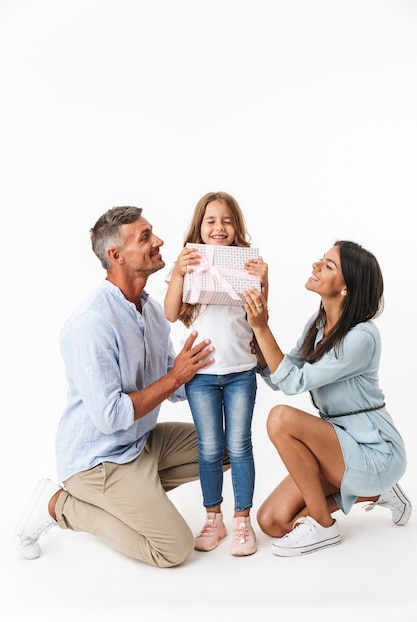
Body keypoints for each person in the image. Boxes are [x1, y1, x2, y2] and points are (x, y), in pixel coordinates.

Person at [14, 205, 231, 568]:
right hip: (98, 460)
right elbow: (113, 416)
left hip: (140, 443)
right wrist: (175, 377)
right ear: (116, 256)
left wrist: (230, 364)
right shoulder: (92, 322)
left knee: (224, 448)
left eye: (153, 233)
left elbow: (175, 382)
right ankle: (58, 505)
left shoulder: (150, 311)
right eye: (145, 237)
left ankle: (134, 498)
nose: (159, 241)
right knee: (173, 549)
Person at [243, 240, 411, 557]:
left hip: (375, 452)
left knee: (280, 418)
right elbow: (285, 370)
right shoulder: (319, 324)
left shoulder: (363, 336)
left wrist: (263, 327)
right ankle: (374, 494)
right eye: (321, 260)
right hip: (337, 447)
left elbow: (294, 382)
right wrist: (257, 335)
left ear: (347, 288)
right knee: (273, 522)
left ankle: (324, 526)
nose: (316, 266)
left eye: (328, 265)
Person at [164, 191, 268, 556]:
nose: (219, 227)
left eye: (226, 221)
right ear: (199, 226)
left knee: (239, 446)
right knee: (209, 449)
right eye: (211, 221)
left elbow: (261, 320)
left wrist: (264, 282)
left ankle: (243, 520)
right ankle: (214, 518)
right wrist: (178, 271)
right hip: (201, 376)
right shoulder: (189, 263)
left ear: (237, 227)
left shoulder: (250, 265)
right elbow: (171, 313)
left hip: (241, 371)